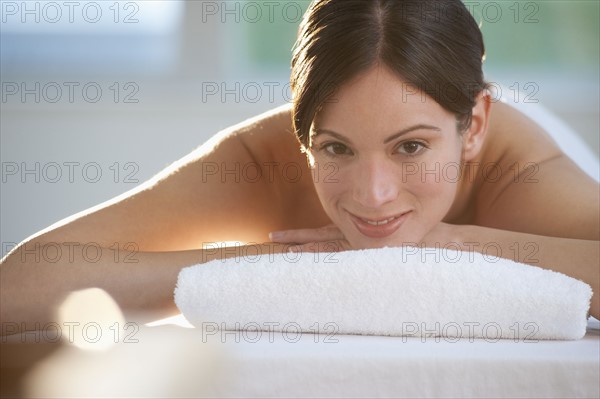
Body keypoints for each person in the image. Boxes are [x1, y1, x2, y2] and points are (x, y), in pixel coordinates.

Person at [1, 0, 598, 334]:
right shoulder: (264, 161)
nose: (374, 196)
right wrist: (269, 263)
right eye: (336, 148)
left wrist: (452, 244)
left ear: (476, 126)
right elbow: (18, 287)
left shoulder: (519, 171)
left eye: (411, 147)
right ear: (301, 134)